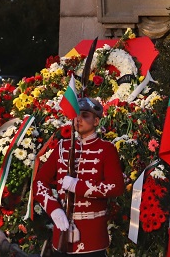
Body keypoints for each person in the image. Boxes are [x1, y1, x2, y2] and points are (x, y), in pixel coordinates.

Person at [33, 97, 125, 257]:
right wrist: (54, 209)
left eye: (85, 115)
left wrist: (78, 186)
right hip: (62, 234)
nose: (78, 119)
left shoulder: (106, 149)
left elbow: (116, 186)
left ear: (96, 121)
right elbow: (40, 182)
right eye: (76, 115)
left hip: (92, 237)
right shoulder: (62, 147)